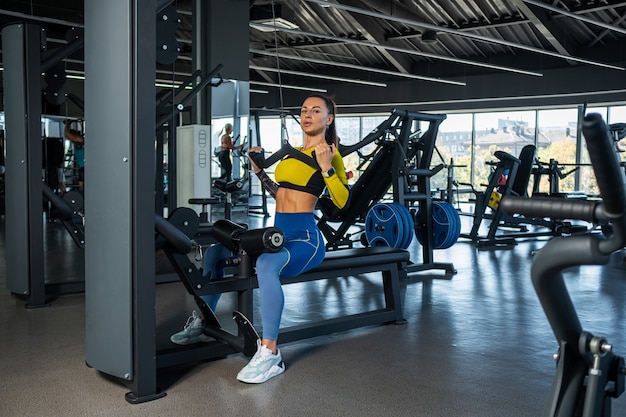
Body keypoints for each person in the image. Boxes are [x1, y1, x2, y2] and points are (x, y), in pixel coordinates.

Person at [170, 93, 350, 383]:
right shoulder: (291, 153)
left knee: (266, 264)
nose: (307, 115)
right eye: (304, 110)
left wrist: (328, 167)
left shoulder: (331, 154)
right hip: (277, 232)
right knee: (217, 252)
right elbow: (281, 194)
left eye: (316, 111)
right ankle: (203, 322)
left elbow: (343, 202)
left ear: (329, 119)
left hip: (305, 239)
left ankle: (270, 353)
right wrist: (258, 171)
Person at [64, 120, 85, 191]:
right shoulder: (78, 141)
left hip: (85, 167)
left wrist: (68, 124)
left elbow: (67, 134)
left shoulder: (79, 139)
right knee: (81, 188)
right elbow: (66, 135)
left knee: (82, 187)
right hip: (82, 167)